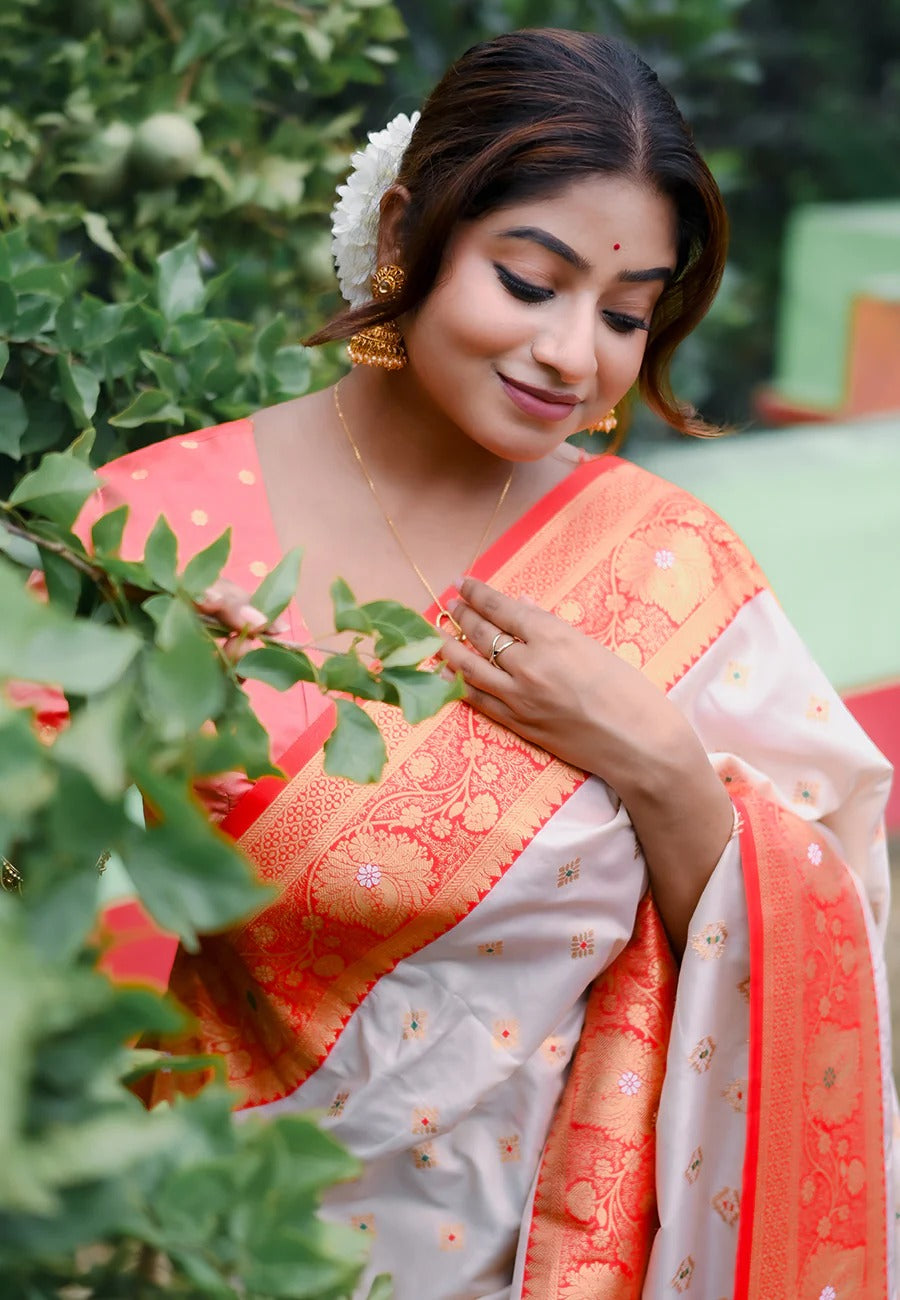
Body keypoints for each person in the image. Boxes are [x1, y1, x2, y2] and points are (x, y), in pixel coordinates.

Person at [74, 29, 896, 1300]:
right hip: (213, 1244)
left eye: (627, 314)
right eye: (530, 282)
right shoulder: (158, 532)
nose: (577, 353)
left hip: (573, 1258)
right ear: (410, 231)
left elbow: (839, 942)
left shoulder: (666, 564)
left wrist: (662, 765)